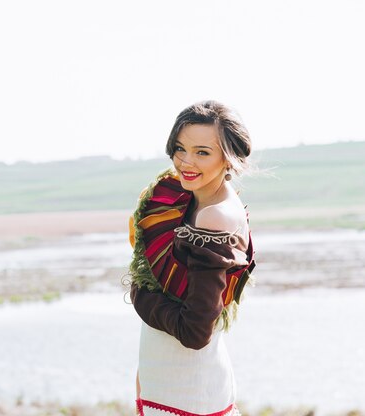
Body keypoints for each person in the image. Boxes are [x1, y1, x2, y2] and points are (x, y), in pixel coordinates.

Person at [127, 100, 257, 416]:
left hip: (187, 395)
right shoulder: (194, 199)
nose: (186, 161)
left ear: (229, 158)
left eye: (202, 152)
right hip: (171, 385)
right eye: (180, 148)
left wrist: (139, 294)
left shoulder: (216, 217)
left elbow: (195, 330)